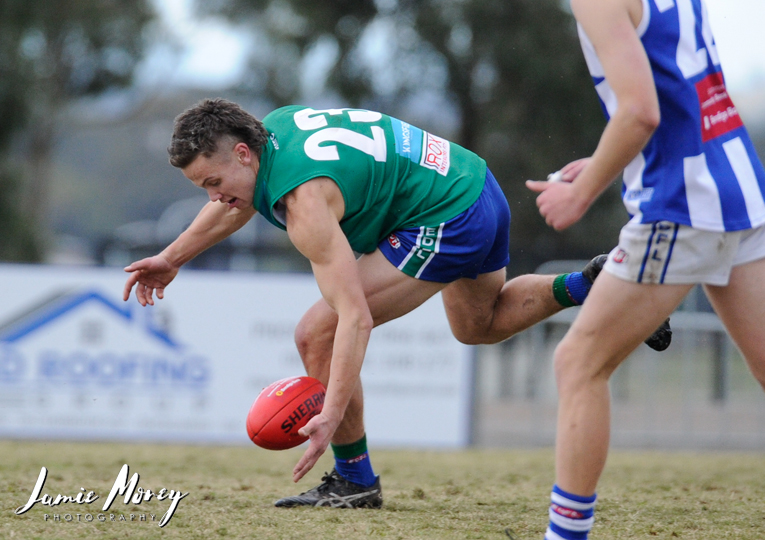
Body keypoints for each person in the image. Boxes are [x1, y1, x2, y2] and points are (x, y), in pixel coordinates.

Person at [123, 98, 668, 509]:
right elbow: (236, 202)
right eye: (204, 187)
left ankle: (355, 480)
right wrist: (173, 256)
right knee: (480, 325)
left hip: (447, 213)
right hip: (471, 182)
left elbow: (354, 316)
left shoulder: (304, 202)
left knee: (317, 332)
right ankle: (595, 284)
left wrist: (329, 412)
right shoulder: (274, 131)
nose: (213, 196)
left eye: (214, 181)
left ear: (243, 152)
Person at [525, 0, 765, 538]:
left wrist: (582, 194)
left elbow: (641, 111)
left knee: (578, 362)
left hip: (682, 205)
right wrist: (612, 158)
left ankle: (564, 535)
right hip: (739, 186)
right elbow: (681, 84)